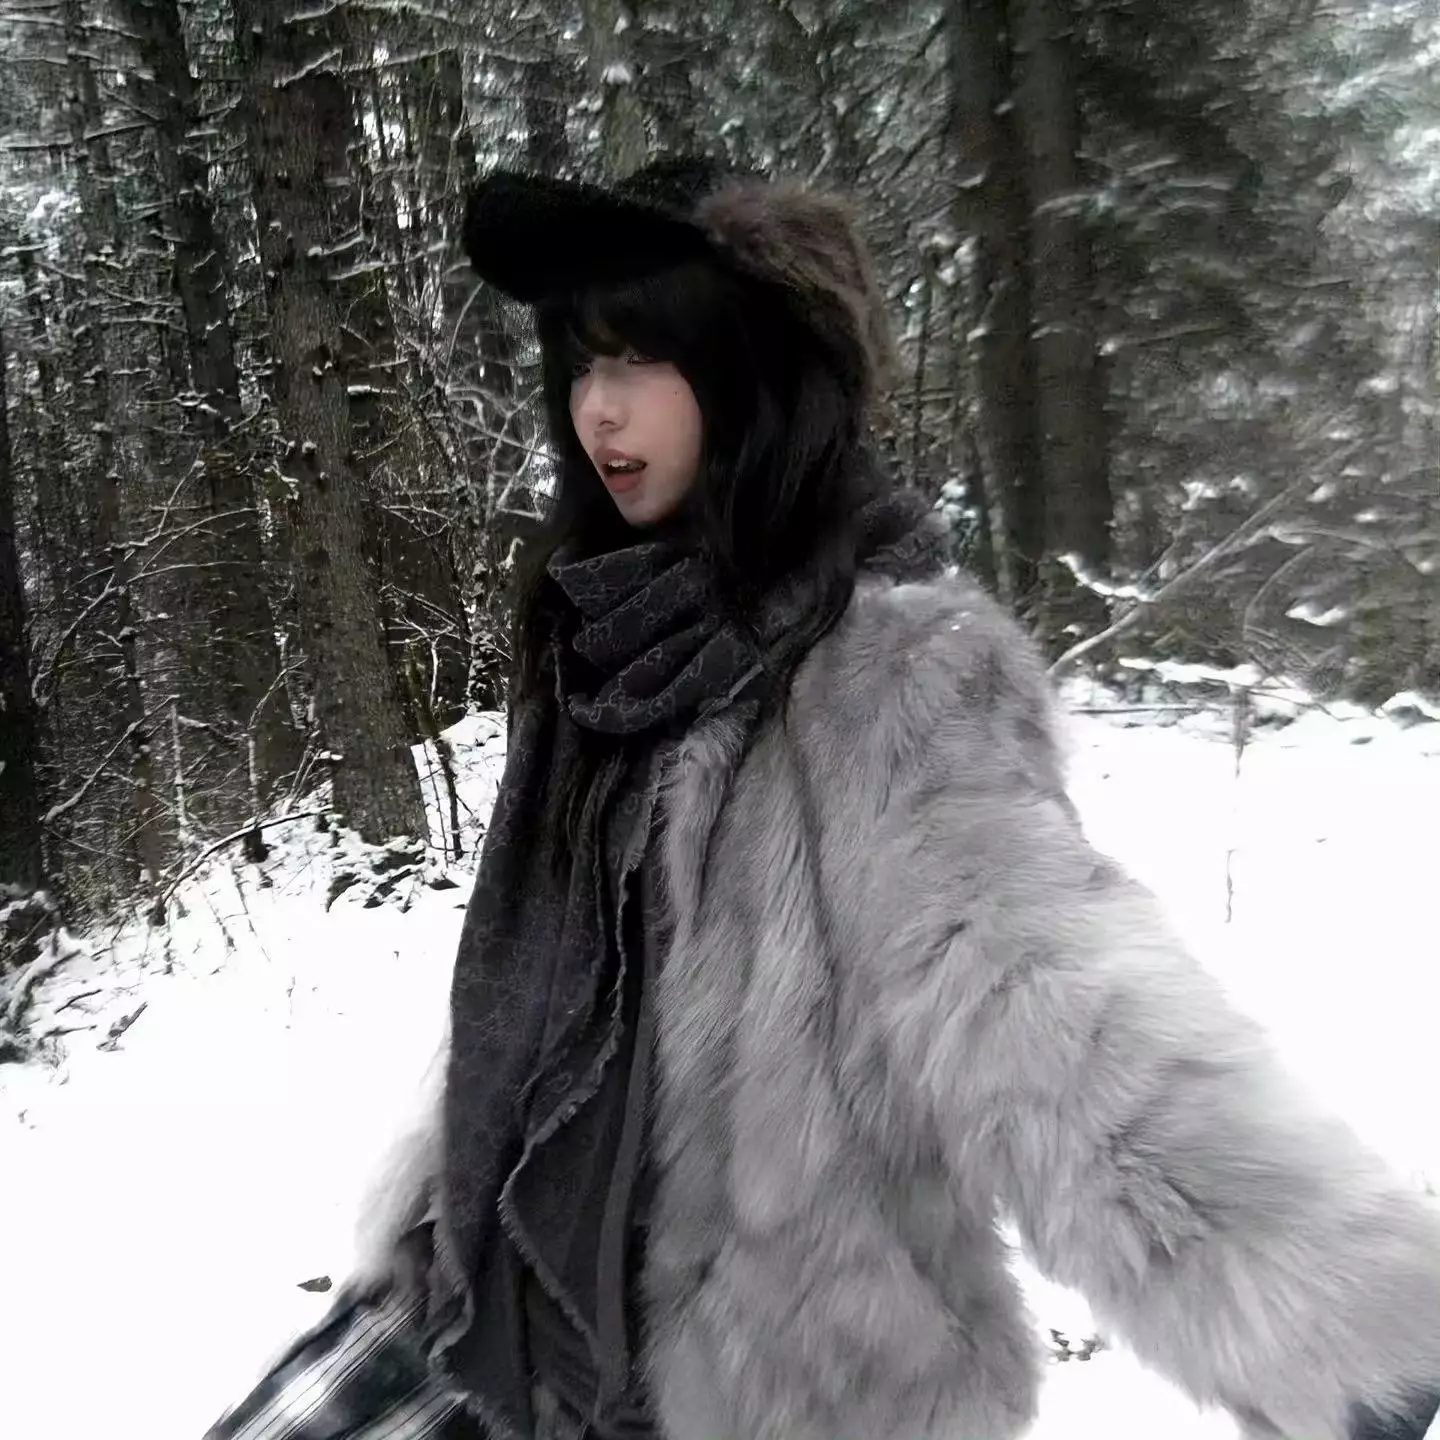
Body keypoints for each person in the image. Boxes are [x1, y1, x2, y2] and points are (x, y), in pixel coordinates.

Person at [205, 157, 1440, 1440]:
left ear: (755, 370)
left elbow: (1059, 1014)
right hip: (499, 1296)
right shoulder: (601, 641)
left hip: (756, 1384)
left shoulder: (890, 675)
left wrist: (1341, 1325)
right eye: (578, 362)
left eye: (641, 360)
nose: (598, 409)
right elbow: (549, 1010)